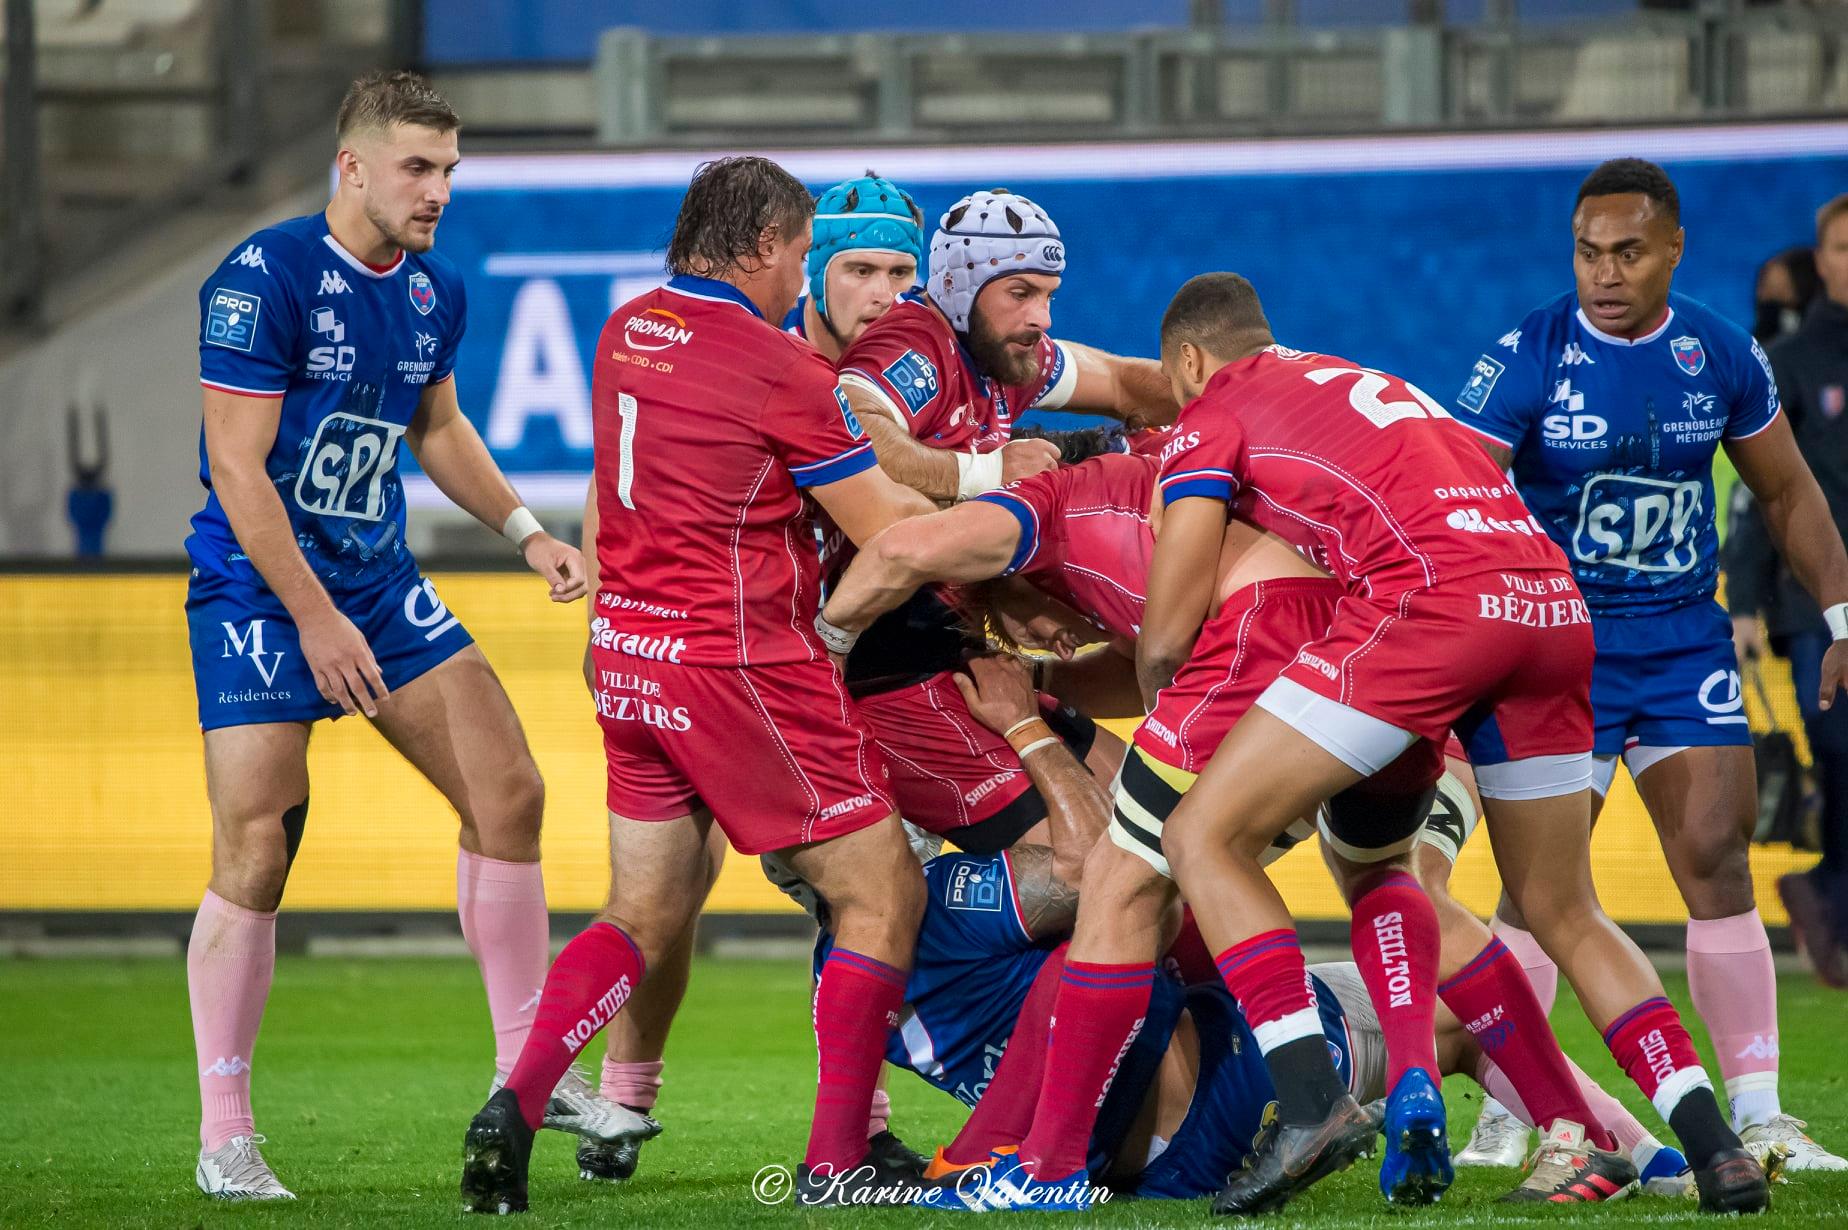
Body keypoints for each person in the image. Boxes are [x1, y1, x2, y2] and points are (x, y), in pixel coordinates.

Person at [822, 448, 1652, 1207]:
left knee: (1132, 883)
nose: (1049, 642)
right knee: (1394, 892)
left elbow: (902, 547)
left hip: (1287, 660)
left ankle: (1046, 1166)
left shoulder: (1048, 514)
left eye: (1018, 627)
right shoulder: (1208, 497)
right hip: (1399, 645)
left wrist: (819, 667)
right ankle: (1632, 1145)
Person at [1142, 272, 1765, 1214]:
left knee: (1199, 837)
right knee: (1565, 907)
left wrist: (1169, 713)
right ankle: (1717, 1147)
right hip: (1552, 603)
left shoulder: (1213, 409)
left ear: (1189, 361)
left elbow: (1167, 629)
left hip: (1433, 608)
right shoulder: (1358, 380)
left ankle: (1312, 1103)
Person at [458, 155, 943, 1214]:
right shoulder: (784, 374)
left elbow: (615, 482)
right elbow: (891, 537)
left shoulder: (626, 330)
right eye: (815, 258)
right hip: (740, 669)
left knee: (642, 909)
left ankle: (518, 1104)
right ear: (767, 249)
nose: (807, 278)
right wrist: (1020, 494)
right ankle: (838, 1157)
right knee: (881, 890)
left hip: (629, 660)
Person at [182, 71, 605, 1202]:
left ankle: (528, 1073)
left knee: (509, 793)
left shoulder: (433, 290)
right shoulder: (261, 279)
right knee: (257, 850)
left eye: (450, 170)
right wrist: (312, 620)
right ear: (352, 167)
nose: (439, 192)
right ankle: (227, 1134)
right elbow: (236, 469)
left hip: (375, 582)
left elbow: (440, 424)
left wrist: (527, 532)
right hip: (262, 596)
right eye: (418, 168)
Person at [1454, 158, 1848, 1171]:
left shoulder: (1722, 354)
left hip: (1681, 643)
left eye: (1629, 251)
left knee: (1717, 858)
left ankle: (1761, 1118)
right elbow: (1448, 503)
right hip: (1557, 651)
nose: (1606, 271)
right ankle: (1523, 1107)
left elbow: (1792, 496)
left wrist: (1842, 617)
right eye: (1589, 252)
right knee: (1537, 891)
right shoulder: (1522, 359)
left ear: (1674, 248)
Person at [836, 188, 1177, 504]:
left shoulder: (1002, 346)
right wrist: (989, 473)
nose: (1043, 319)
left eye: (1048, 295)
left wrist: (1221, 399)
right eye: (1020, 293)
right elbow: (849, 433)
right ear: (958, 289)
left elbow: (1121, 384)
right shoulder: (914, 344)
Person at [1730, 193, 1848, 997]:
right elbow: (1762, 494)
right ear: (1823, 260)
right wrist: (1743, 598)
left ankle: (1824, 894)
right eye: (1842, 247)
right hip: (1818, 604)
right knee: (1840, 757)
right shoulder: (1794, 361)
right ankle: (1827, 895)